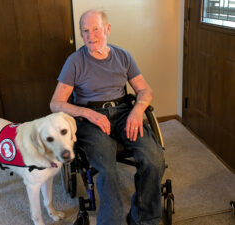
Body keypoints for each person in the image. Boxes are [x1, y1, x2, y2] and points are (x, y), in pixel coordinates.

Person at [50, 9, 165, 225]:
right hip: (90, 119)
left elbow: (145, 90)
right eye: (85, 31)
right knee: (106, 166)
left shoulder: (123, 56)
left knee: (153, 159)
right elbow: (56, 103)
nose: (90, 36)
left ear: (108, 29)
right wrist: (87, 113)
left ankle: (144, 219)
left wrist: (138, 110)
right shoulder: (75, 61)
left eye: (96, 29)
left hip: (124, 113)